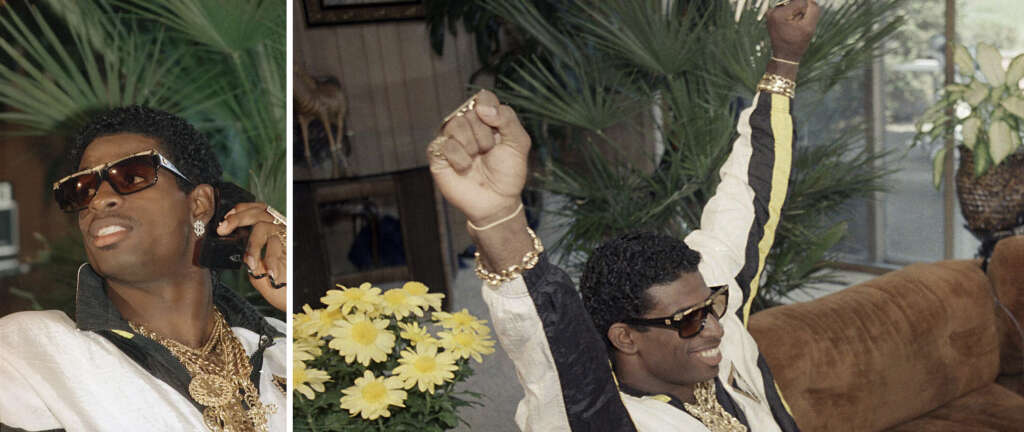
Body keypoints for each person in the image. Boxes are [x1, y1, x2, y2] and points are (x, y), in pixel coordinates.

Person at [426, 1, 819, 430]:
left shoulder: (702, 303)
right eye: (689, 322)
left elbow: (750, 190)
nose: (715, 328)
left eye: (712, 307)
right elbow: (550, 351)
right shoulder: (609, 418)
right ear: (625, 337)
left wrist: (784, 59)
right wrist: (499, 220)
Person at [0, 106, 288, 432]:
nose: (97, 200)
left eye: (131, 176)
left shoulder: (283, 348)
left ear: (199, 205)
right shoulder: (29, 351)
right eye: (82, 189)